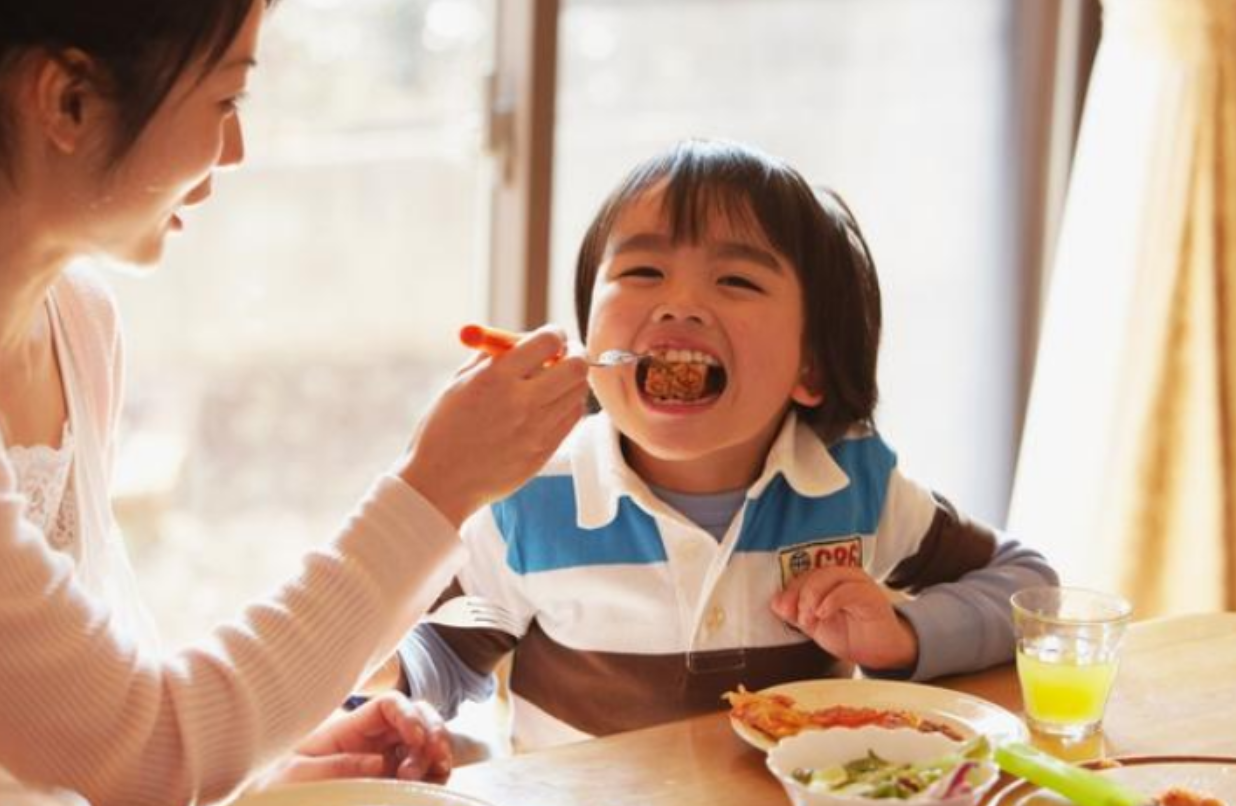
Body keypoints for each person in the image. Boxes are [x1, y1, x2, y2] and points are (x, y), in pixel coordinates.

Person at [0, 1, 588, 804]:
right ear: (67, 101)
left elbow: (100, 716)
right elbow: (148, 750)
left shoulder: (77, 321)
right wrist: (436, 489)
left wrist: (253, 764)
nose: (235, 149)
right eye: (226, 99)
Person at [391, 139, 1059, 751]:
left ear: (811, 368)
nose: (680, 305)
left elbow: (1028, 588)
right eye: (644, 271)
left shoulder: (853, 484)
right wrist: (400, 713)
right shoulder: (532, 498)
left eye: (736, 280)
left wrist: (904, 634)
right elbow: (436, 656)